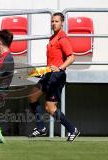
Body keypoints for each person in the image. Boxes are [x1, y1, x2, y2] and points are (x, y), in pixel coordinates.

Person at [27, 12, 80, 142]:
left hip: (57, 77)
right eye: (52, 21)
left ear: (62, 23)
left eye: (56, 21)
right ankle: (41, 128)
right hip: (49, 74)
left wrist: (60, 68)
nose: (54, 23)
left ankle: (72, 129)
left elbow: (72, 57)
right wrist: (42, 71)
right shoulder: (52, 38)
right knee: (32, 97)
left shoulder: (62, 38)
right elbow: (52, 60)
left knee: (50, 108)